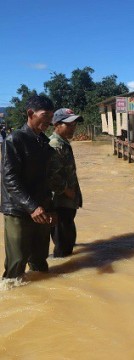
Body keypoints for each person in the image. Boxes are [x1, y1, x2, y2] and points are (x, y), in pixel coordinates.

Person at [1, 95, 56, 279]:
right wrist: (32, 206)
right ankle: (11, 294)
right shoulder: (14, 139)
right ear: (30, 113)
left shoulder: (44, 142)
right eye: (45, 115)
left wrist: (50, 207)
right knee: (17, 261)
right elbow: (10, 179)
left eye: (51, 115)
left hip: (42, 208)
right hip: (18, 209)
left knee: (40, 260)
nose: (50, 120)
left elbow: (46, 178)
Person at [48, 108, 83, 257]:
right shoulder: (55, 144)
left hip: (68, 200)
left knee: (68, 236)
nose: (72, 128)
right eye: (68, 124)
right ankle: (61, 269)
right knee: (63, 242)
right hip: (60, 201)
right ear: (57, 124)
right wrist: (66, 191)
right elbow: (51, 175)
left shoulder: (63, 143)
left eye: (74, 124)